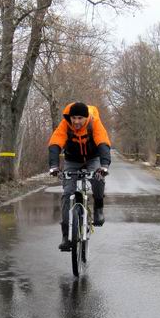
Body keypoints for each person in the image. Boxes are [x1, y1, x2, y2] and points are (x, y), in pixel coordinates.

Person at [48, 102, 111, 251]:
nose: (76, 122)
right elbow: (55, 142)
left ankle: (98, 207)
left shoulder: (94, 123)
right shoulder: (65, 124)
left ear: (86, 117)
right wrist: (53, 166)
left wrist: (104, 166)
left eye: (80, 118)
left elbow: (103, 142)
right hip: (72, 160)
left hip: (92, 158)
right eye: (73, 118)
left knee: (98, 177)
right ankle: (65, 236)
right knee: (67, 193)